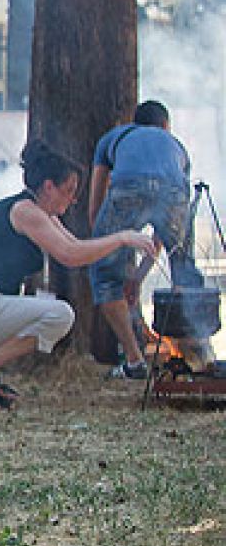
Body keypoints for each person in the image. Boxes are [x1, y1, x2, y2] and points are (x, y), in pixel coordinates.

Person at [0, 141, 155, 410]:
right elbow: (70, 255)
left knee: (48, 308)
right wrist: (122, 238)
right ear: (49, 186)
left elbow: (78, 250)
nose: (73, 200)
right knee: (59, 315)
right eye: (69, 191)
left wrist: (122, 248)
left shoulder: (42, 214)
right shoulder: (25, 211)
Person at [87, 100, 198, 379]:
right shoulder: (176, 147)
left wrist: (107, 252)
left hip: (127, 188)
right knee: (184, 273)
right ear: (164, 126)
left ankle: (135, 362)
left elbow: (95, 206)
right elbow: (166, 231)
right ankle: (196, 357)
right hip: (173, 192)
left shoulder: (113, 138)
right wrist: (139, 276)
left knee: (104, 280)